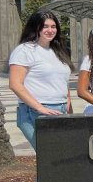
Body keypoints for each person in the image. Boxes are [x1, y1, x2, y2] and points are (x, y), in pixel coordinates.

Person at [9, 11, 74, 149]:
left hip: (61, 108)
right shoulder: (25, 50)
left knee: (61, 156)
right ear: (35, 27)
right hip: (36, 111)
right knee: (50, 157)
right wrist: (40, 108)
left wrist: (69, 107)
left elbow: (62, 82)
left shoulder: (58, 51)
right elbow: (15, 84)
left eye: (53, 26)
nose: (50, 30)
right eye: (45, 26)